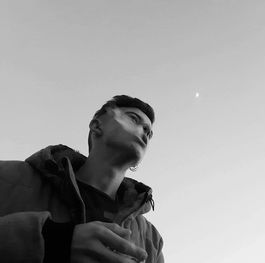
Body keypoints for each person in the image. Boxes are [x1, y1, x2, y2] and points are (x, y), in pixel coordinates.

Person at [0, 95, 164, 263]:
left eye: (148, 132)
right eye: (133, 118)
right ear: (96, 125)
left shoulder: (151, 239)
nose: (144, 131)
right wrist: (55, 242)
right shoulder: (8, 177)